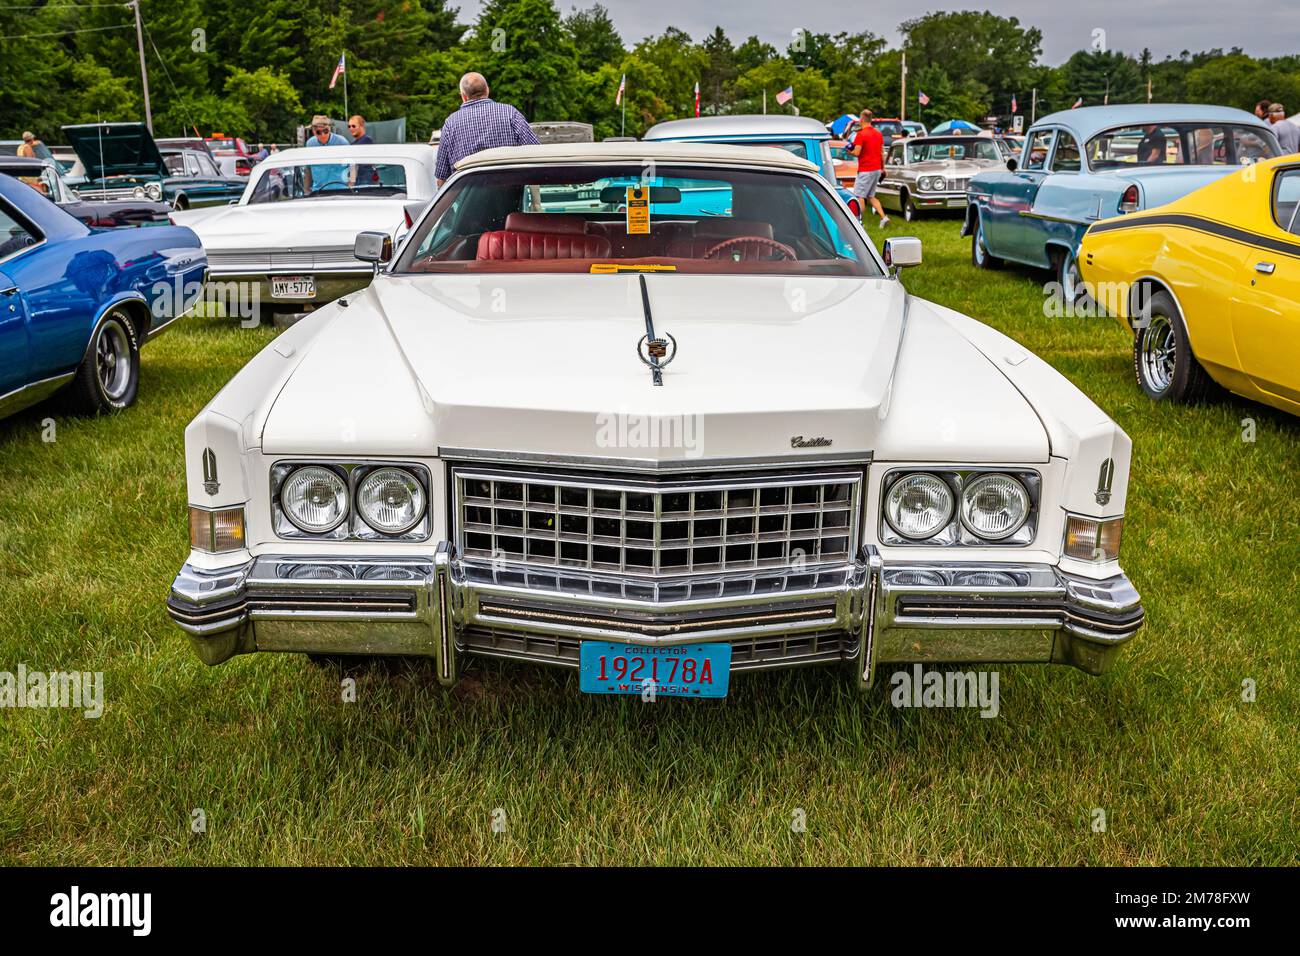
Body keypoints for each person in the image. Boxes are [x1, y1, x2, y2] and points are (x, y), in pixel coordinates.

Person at [434, 72, 539, 187]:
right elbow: (536, 152)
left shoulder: (450, 123)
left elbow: (442, 178)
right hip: (510, 197)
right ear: (487, 90)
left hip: (469, 201)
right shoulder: (510, 113)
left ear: (463, 96)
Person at [848, 109, 889, 228]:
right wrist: (883, 168)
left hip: (865, 169)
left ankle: (859, 222)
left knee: (860, 195)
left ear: (861, 120)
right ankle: (883, 217)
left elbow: (857, 152)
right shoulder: (878, 134)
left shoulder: (861, 134)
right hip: (876, 169)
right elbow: (882, 153)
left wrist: (849, 151)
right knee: (871, 196)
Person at [304, 114, 348, 193]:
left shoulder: (342, 142)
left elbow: (353, 165)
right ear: (313, 131)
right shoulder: (310, 144)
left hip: (341, 189)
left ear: (329, 129)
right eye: (318, 132)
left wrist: (351, 184)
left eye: (325, 131)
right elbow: (308, 169)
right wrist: (306, 190)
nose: (323, 135)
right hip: (318, 190)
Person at [347, 115, 375, 187]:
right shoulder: (353, 144)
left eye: (353, 126)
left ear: (362, 126)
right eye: (349, 126)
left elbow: (355, 165)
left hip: (365, 182)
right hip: (359, 182)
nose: (351, 128)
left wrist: (351, 182)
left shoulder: (367, 140)